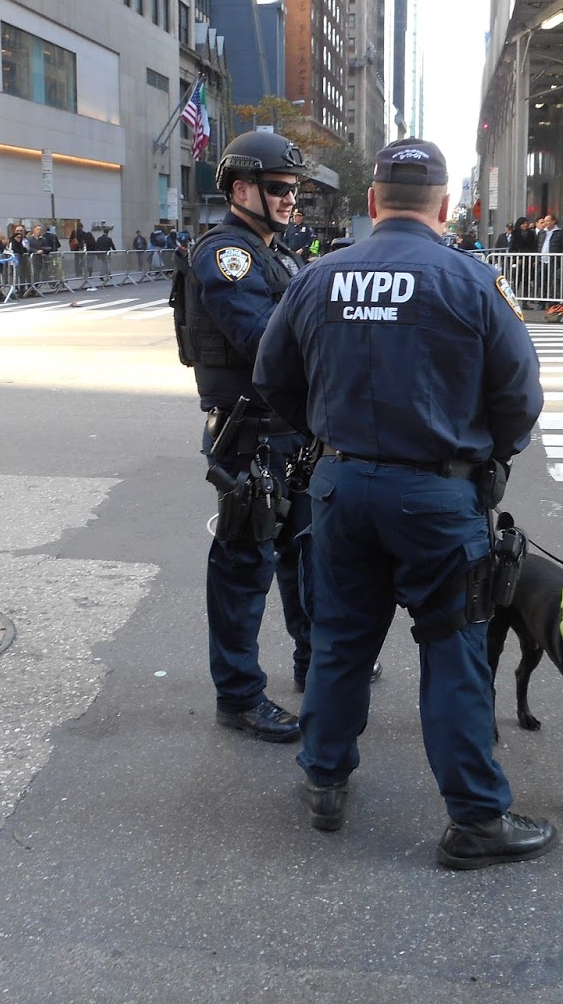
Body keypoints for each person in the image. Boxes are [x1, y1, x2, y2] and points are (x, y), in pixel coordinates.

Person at [254, 137, 555, 869]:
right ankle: (477, 817)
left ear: (371, 202)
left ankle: (325, 780)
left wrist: (327, 432)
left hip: (342, 486)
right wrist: (486, 454)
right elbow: (520, 400)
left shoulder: (317, 276)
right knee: (452, 650)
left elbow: (272, 378)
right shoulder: (471, 280)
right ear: (445, 207)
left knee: (341, 638)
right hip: (437, 496)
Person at [173, 130, 316, 742]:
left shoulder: (274, 251)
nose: (290, 200)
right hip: (251, 437)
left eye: (294, 189)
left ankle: (316, 662)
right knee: (243, 567)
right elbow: (265, 345)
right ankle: (238, 695)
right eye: (279, 188)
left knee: (305, 556)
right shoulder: (227, 254)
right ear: (239, 188)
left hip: (291, 435)